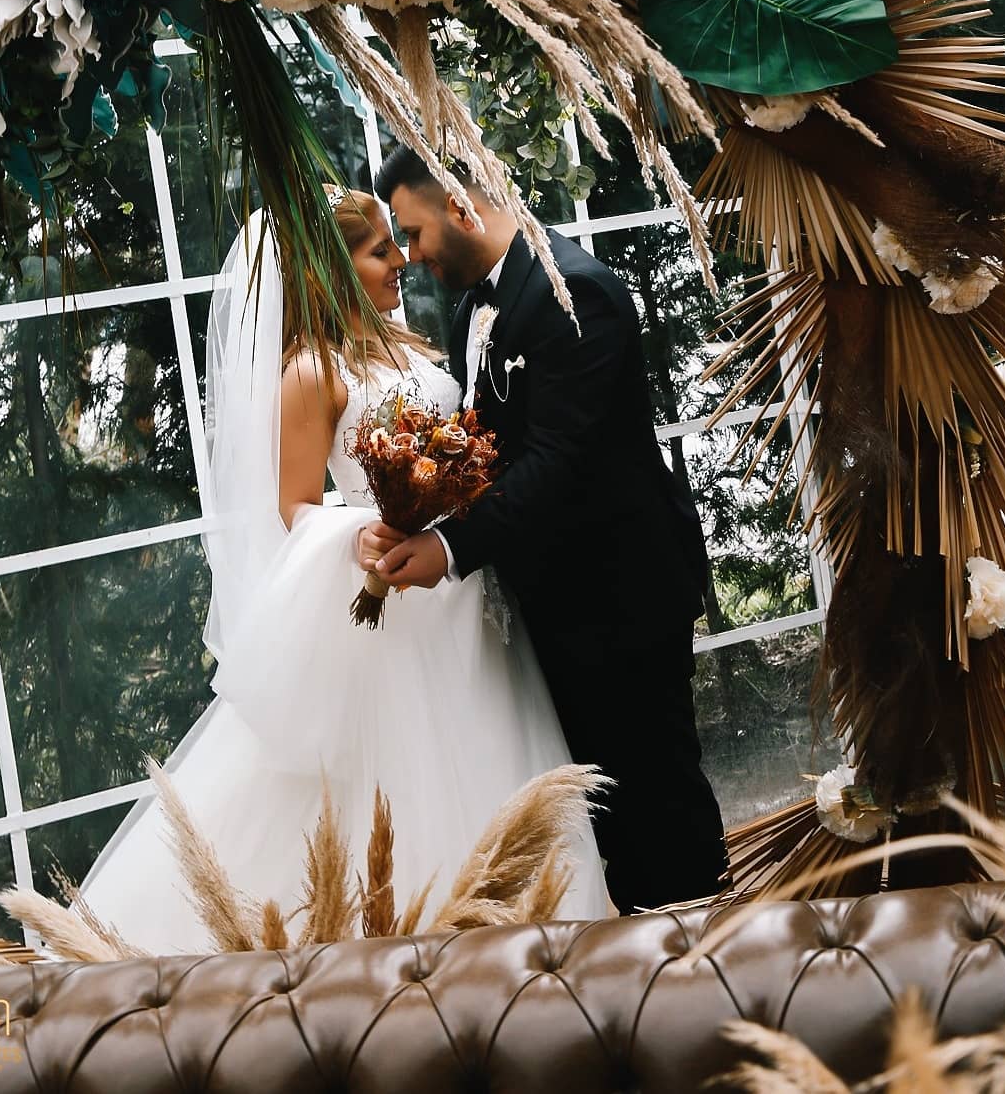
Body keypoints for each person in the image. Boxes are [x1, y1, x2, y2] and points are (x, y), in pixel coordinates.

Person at [78, 188, 608, 952]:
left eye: (396, 243)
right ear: (329, 270)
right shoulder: (310, 372)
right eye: (380, 250)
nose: (401, 262)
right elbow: (291, 505)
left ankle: (541, 937)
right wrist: (364, 528)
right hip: (397, 606)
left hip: (469, 598)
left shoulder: (413, 345)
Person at [369, 148, 728, 913]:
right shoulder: (472, 311)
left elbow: (558, 460)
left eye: (413, 230)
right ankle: (642, 960)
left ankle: (703, 949)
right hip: (552, 608)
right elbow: (487, 455)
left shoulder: (575, 293)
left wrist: (448, 548)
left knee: (658, 801)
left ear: (460, 205)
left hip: (621, 596)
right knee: (604, 817)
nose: (412, 254)